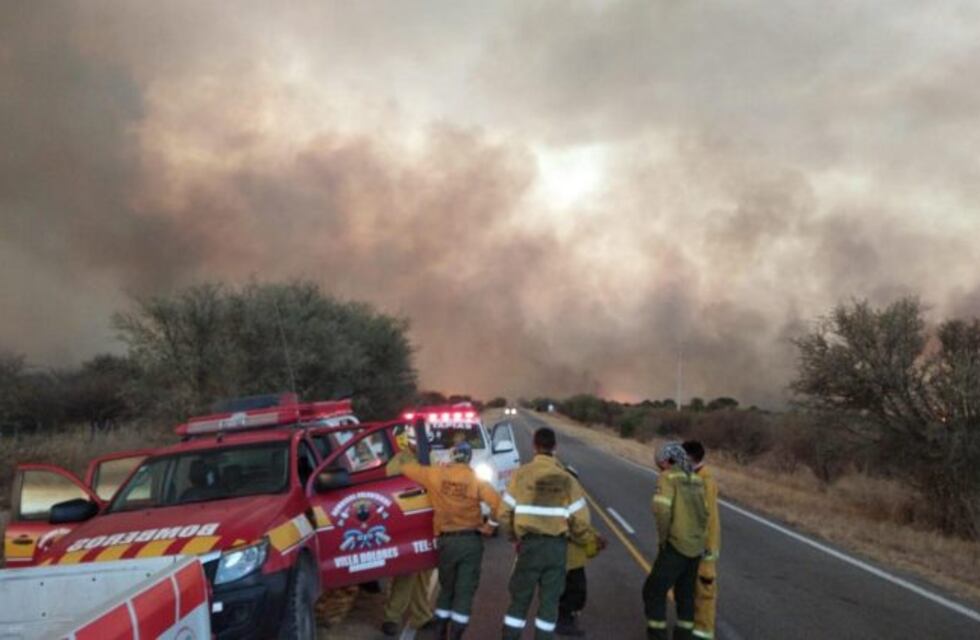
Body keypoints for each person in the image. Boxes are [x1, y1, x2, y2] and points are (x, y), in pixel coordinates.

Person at [499, 427, 594, 640]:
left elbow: (503, 513)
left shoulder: (521, 475)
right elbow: (581, 520)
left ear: (534, 446)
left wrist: (514, 537)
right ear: (555, 448)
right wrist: (578, 538)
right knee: (549, 604)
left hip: (529, 547)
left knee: (519, 601)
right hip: (556, 549)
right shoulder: (566, 478)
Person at [402, 441, 502, 640]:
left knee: (447, 587)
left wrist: (409, 452)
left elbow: (406, 469)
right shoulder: (475, 480)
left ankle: (440, 633)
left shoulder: (435, 474)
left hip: (447, 542)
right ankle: (456, 635)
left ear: (452, 456)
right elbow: (498, 504)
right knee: (464, 590)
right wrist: (490, 525)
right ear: (469, 458)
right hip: (470, 542)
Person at [642, 442, 708, 640]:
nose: (660, 467)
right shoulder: (697, 480)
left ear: (666, 461)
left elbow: (662, 510)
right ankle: (684, 635)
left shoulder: (668, 477)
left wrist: (664, 539)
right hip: (695, 548)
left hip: (676, 546)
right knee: (686, 595)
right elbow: (706, 514)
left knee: (653, 590)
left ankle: (657, 634)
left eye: (660, 463)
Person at [380, 428, 437, 637]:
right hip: (407, 524)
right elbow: (394, 488)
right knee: (406, 572)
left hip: (427, 521)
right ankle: (392, 617)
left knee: (424, 573)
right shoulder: (399, 462)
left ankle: (421, 616)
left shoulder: (430, 458)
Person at [556, 465, 607, 637]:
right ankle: (564, 622)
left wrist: (596, 535)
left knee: (571, 589)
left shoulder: (568, 497)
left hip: (572, 556)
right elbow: (575, 529)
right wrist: (592, 539)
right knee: (575, 591)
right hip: (568, 556)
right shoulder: (565, 500)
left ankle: (564, 618)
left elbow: (583, 525)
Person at [682, 441, 720, 640]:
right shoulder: (695, 477)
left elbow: (705, 516)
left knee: (704, 595)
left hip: (704, 550)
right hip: (694, 546)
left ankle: (703, 633)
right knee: (691, 592)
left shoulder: (705, 480)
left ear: (690, 458)